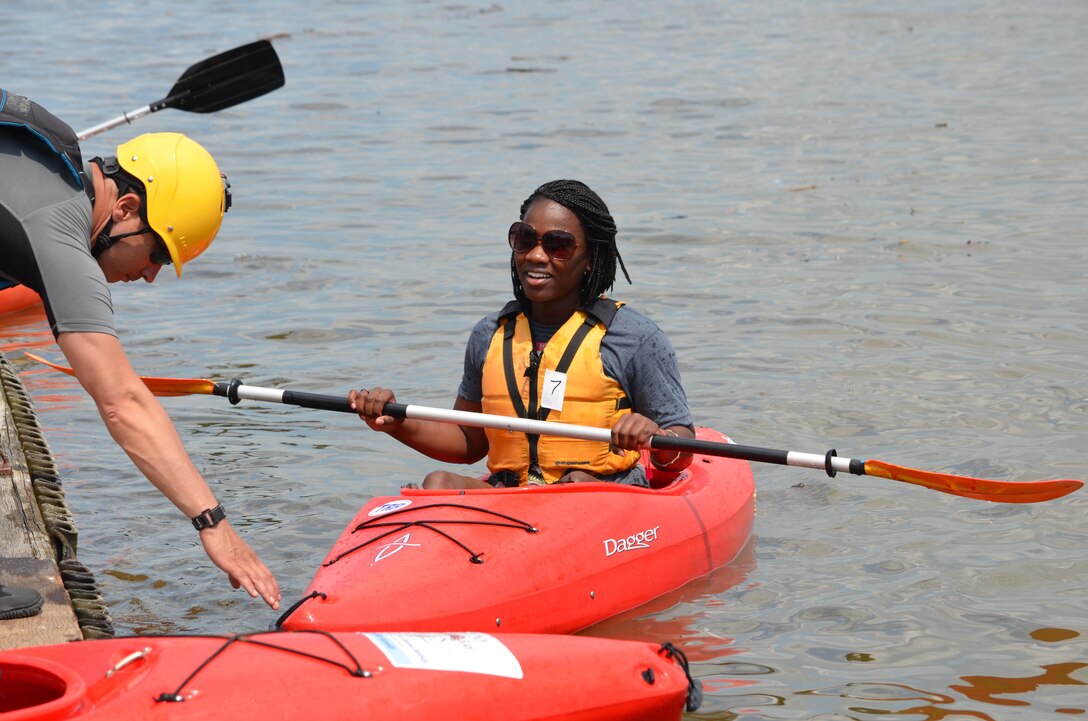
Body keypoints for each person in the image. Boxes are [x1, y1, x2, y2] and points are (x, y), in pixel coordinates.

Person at [0, 89, 280, 610]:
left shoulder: (49, 158)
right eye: (155, 252)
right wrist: (213, 523)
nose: (150, 275)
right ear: (126, 207)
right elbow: (122, 401)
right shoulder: (60, 230)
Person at [350, 179, 694, 489]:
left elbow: (681, 448)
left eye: (558, 245)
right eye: (525, 239)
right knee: (437, 482)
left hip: (599, 494)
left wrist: (657, 437)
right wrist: (396, 423)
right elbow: (469, 440)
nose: (536, 255)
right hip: (514, 496)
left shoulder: (633, 337)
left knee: (573, 488)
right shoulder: (490, 334)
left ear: (589, 258)